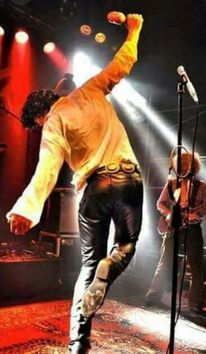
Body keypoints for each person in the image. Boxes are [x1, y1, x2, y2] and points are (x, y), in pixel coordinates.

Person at [7, 14, 144, 354]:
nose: (41, 127)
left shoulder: (53, 122)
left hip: (96, 188)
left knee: (87, 264)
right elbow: (123, 62)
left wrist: (25, 208)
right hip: (130, 179)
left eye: (37, 124)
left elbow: (47, 168)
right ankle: (111, 266)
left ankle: (77, 344)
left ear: (41, 114)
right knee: (125, 246)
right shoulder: (93, 88)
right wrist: (134, 30)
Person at [145, 151, 206, 315]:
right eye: (181, 166)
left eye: (187, 166)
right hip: (173, 227)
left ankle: (196, 303)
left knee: (196, 265)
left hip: (193, 227)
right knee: (165, 261)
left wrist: (197, 214)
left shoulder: (202, 186)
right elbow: (160, 203)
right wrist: (168, 214)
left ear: (193, 167)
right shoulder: (171, 184)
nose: (184, 169)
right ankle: (153, 296)